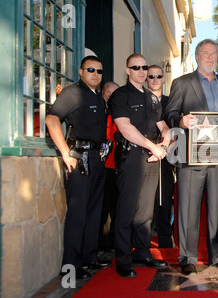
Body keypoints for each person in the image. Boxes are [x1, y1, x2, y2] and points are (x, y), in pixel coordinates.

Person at [164, 39, 218, 275]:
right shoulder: (182, 83)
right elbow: (170, 113)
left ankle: (217, 255)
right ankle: (187, 257)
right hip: (191, 155)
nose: (211, 57)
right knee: (188, 207)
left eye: (214, 53)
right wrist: (180, 121)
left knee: (216, 207)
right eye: (206, 53)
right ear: (197, 56)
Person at [45, 56, 111, 279]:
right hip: (78, 158)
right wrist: (65, 152)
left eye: (99, 71)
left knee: (94, 213)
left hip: (97, 159)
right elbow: (52, 119)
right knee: (78, 214)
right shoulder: (73, 93)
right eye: (91, 69)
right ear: (81, 72)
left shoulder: (99, 98)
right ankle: (71, 266)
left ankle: (88, 258)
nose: (95, 74)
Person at [108, 54, 171, 278]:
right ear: (127, 70)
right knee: (126, 211)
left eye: (144, 67)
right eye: (136, 67)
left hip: (152, 158)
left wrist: (164, 142)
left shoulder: (152, 98)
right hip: (132, 157)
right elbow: (124, 128)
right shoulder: (120, 96)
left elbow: (162, 125)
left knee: (145, 211)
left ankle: (142, 252)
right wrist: (151, 146)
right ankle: (124, 258)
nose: (142, 71)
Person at [147, 65, 175, 248]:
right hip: (144, 155)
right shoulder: (140, 100)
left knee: (164, 200)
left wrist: (165, 148)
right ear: (146, 79)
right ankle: (142, 243)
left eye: (159, 76)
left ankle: (165, 241)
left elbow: (175, 129)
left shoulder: (170, 102)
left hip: (165, 158)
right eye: (151, 76)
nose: (155, 79)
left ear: (163, 79)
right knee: (144, 203)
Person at [99, 81, 119, 252]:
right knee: (101, 209)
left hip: (117, 168)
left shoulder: (120, 114)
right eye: (108, 92)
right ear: (103, 92)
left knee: (116, 209)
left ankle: (112, 244)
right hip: (102, 167)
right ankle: (100, 245)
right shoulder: (98, 113)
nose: (111, 96)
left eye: (115, 93)